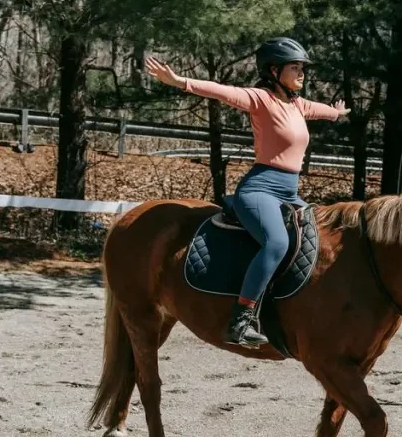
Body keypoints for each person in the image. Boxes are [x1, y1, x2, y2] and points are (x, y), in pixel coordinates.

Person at [145, 37, 349, 349]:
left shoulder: (297, 104)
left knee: (320, 238)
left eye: (302, 68)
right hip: (260, 190)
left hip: (289, 192)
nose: (302, 73)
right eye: (295, 67)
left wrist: (336, 114)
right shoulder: (260, 99)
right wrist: (179, 81)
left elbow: (320, 111)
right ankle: (241, 319)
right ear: (274, 70)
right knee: (277, 242)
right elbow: (220, 91)